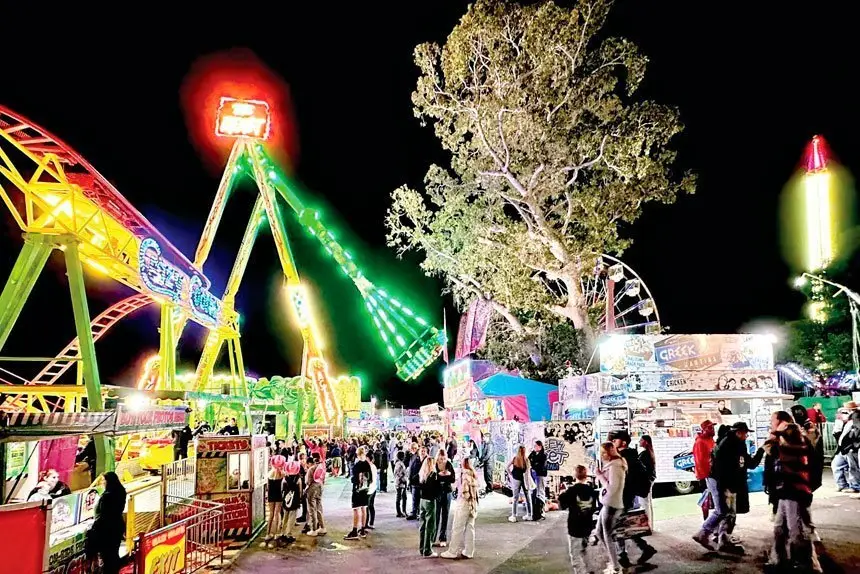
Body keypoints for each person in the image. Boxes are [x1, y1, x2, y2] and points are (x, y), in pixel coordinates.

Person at [692, 421, 764, 554]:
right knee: (724, 511)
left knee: (727, 512)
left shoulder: (729, 442)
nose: (746, 436)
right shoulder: (732, 445)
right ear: (738, 432)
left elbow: (746, 463)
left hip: (725, 483)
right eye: (745, 433)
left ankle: (721, 539)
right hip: (726, 484)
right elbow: (743, 464)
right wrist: (762, 450)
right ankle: (706, 533)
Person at [767, 423, 822, 572]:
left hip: (794, 494)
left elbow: (777, 454)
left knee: (796, 531)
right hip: (787, 494)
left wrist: (772, 445)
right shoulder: (796, 447)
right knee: (780, 529)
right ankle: (779, 559)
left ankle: (806, 563)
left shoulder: (795, 449)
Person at [609, 430, 655, 567]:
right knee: (623, 524)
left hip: (622, 496)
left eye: (614, 440)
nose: (612, 443)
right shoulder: (630, 456)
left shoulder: (623, 458)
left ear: (623, 442)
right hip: (626, 495)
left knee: (619, 525)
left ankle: (623, 555)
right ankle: (643, 548)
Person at [559, 465, 597, 574]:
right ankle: (590, 570)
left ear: (575, 475)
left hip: (575, 527)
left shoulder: (572, 490)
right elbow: (593, 508)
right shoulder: (591, 490)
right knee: (584, 550)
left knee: (575, 555)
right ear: (586, 475)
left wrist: (562, 495)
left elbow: (562, 505)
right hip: (587, 526)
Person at [595, 442, 627, 574]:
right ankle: (614, 561)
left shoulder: (615, 466)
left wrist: (600, 476)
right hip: (609, 503)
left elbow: (612, 488)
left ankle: (615, 566)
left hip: (611, 504)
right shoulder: (614, 465)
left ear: (607, 453)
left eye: (602, 453)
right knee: (599, 532)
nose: (601, 456)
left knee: (606, 535)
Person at [441, 456, 479, 560]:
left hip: (463, 503)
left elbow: (463, 491)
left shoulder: (465, 476)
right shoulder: (474, 475)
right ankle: (469, 551)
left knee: (457, 527)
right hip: (473, 504)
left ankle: (452, 551)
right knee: (470, 527)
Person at [88, 472, 126, 574]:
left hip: (108, 530)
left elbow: (104, 514)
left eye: (104, 481)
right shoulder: (121, 491)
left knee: (108, 556)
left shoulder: (107, 496)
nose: (103, 483)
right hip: (117, 526)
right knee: (114, 553)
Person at [345, 446, 371, 540]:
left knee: (356, 509)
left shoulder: (357, 465)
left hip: (357, 490)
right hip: (365, 489)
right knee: (364, 508)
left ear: (358, 454)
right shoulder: (367, 464)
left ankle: (355, 530)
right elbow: (370, 478)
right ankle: (363, 529)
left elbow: (354, 479)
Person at [693, 420, 717, 520]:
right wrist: (706, 475)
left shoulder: (711, 440)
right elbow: (700, 461)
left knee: (714, 499)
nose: (713, 429)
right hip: (706, 475)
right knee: (706, 499)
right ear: (704, 430)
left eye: (713, 427)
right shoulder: (700, 442)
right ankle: (706, 521)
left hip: (712, 474)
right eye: (710, 427)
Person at [418, 456, 440, 558]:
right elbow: (436, 490)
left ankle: (422, 548)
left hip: (422, 501)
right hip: (430, 501)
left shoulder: (422, 475)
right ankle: (427, 550)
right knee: (430, 526)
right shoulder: (433, 475)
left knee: (422, 525)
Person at [262, 456, 286, 547]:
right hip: (279, 494)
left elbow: (267, 487)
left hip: (271, 495)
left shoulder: (269, 473)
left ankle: (268, 534)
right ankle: (276, 533)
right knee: (277, 513)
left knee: (271, 514)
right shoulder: (282, 474)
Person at [433, 450, 455, 548]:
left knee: (445, 515)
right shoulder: (434, 464)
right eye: (441, 458)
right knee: (436, 515)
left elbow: (453, 478)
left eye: (444, 458)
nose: (442, 460)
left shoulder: (449, 464)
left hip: (447, 492)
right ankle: (432, 537)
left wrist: (445, 476)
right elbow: (433, 478)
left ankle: (443, 537)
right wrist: (440, 476)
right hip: (437, 492)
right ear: (437, 458)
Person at [507, 445, 533, 522]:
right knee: (528, 497)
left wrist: (511, 474)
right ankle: (529, 515)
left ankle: (514, 516)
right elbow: (528, 471)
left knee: (515, 498)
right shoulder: (527, 460)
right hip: (525, 480)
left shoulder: (515, 459)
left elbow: (507, 467)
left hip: (516, 479)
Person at [280, 461, 303, 544]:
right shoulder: (298, 479)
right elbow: (300, 490)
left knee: (285, 516)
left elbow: (282, 489)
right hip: (295, 500)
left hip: (286, 500)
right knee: (292, 518)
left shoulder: (285, 478)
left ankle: (283, 533)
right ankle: (288, 534)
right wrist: (300, 499)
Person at [637, 435, 657, 530]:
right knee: (647, 502)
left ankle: (647, 525)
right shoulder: (649, 453)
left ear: (646, 442)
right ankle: (650, 524)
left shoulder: (645, 454)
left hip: (645, 481)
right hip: (649, 479)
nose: (639, 441)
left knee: (644, 503)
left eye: (641, 440)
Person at [305, 455, 327, 536]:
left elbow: (308, 481)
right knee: (319, 507)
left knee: (311, 508)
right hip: (320, 486)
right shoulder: (321, 467)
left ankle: (313, 529)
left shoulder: (311, 469)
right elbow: (324, 479)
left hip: (312, 488)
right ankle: (322, 527)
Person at [528, 440, 548, 520]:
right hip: (534, 475)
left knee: (541, 491)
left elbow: (540, 465)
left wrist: (534, 466)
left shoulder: (543, 455)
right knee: (535, 492)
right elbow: (529, 461)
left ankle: (542, 511)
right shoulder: (533, 454)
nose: (534, 447)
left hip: (540, 475)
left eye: (536, 446)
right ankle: (536, 510)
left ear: (540, 447)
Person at [406, 444, 425, 520]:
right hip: (413, 482)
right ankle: (414, 513)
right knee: (414, 498)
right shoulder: (413, 457)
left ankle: (419, 514)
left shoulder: (424, 460)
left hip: (420, 482)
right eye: (412, 448)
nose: (413, 449)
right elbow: (409, 466)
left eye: (415, 448)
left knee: (419, 499)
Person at [365, 453, 379, 530]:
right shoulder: (374, 466)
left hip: (369, 489)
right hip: (374, 488)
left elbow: (369, 479)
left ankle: (366, 523)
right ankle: (371, 523)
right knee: (371, 506)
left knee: (367, 506)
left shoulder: (368, 467)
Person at [394, 450, 408, 517]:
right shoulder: (400, 464)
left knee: (400, 497)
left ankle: (401, 511)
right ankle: (400, 511)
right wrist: (404, 480)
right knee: (401, 497)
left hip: (398, 482)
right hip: (401, 483)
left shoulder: (397, 463)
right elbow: (399, 474)